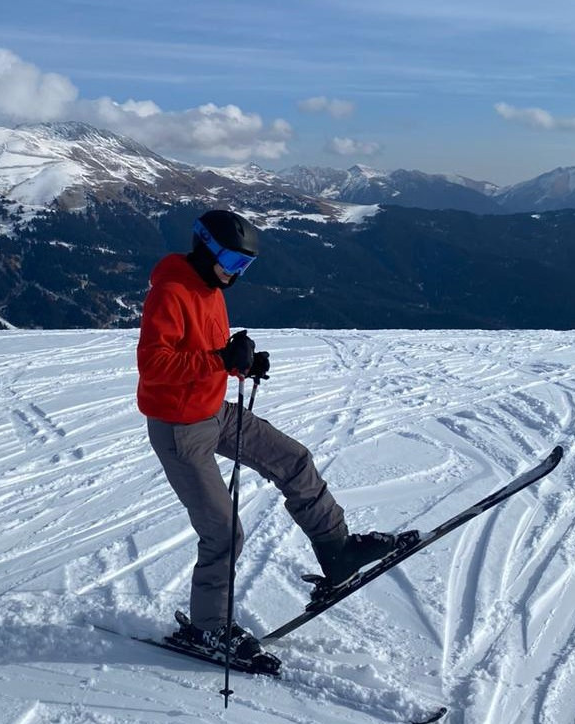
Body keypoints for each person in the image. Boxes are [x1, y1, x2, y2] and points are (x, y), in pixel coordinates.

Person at [136, 209, 419, 667]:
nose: (236, 272)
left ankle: (338, 551)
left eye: (244, 265)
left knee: (294, 460)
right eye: (231, 259)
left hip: (215, 411)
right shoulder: (171, 291)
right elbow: (154, 365)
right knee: (223, 532)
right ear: (206, 247)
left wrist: (240, 362)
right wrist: (221, 359)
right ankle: (208, 630)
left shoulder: (210, 287)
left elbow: (208, 352)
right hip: (178, 428)